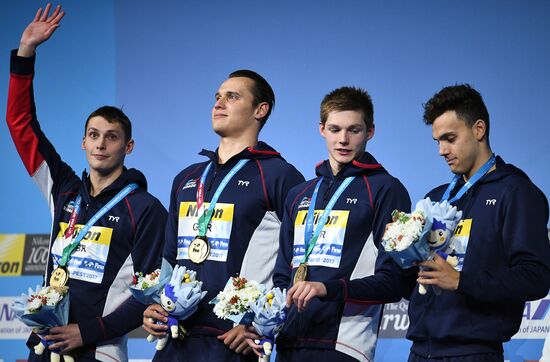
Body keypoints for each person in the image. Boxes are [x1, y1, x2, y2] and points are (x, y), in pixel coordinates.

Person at [7, 4, 168, 361]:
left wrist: (87, 332)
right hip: (45, 346)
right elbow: (20, 123)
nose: (100, 143)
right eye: (93, 135)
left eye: (111, 137)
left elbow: (150, 293)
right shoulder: (62, 188)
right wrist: (25, 53)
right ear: (83, 142)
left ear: (128, 147)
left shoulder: (145, 209)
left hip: (100, 350)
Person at [142, 68, 304, 361]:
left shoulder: (281, 176)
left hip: (232, 342)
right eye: (217, 97)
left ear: (260, 109)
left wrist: (258, 324)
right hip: (175, 338)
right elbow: (168, 258)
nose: (219, 103)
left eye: (232, 96)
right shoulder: (187, 179)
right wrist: (155, 304)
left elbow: (296, 263)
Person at [261, 86, 412, 361]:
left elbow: (395, 281)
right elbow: (283, 274)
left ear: (370, 131)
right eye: (334, 129)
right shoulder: (300, 194)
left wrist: (327, 289)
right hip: (290, 340)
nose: (343, 139)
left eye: (354, 130)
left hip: (344, 344)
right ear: (321, 129)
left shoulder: (385, 190)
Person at [407, 84, 550, 361]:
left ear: (479, 129)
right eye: (437, 141)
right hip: (419, 350)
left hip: (473, 352)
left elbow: (536, 276)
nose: (441, 150)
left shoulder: (516, 192)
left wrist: (461, 281)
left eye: (449, 138)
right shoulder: (436, 198)